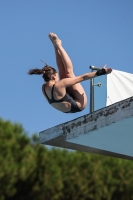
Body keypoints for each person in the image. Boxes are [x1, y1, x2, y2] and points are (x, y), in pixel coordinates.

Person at [28, 32, 112, 113]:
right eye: (57, 76)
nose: (58, 78)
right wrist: (102, 72)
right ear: (53, 76)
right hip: (79, 104)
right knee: (69, 73)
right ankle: (59, 45)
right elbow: (83, 77)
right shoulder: (59, 85)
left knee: (63, 74)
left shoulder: (44, 88)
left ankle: (55, 45)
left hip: (67, 106)